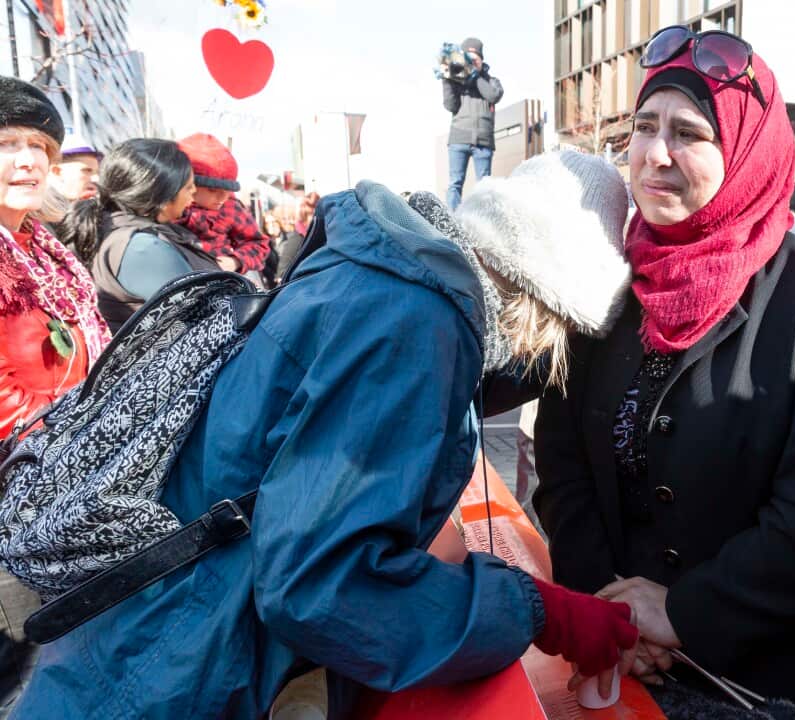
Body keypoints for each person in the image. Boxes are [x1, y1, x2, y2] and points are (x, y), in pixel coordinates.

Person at [16, 151, 643, 719]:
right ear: (547, 303)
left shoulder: (379, 272)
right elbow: (324, 585)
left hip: (145, 630)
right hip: (172, 670)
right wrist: (532, 609)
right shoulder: (412, 325)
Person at [533, 30, 795, 718]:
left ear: (745, 152)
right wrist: (612, 616)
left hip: (753, 677)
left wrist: (681, 612)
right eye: (643, 126)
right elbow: (561, 462)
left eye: (689, 132)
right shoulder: (604, 278)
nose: (656, 155)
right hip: (615, 662)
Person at [0, 76, 110, 715]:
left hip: (66, 480)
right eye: (8, 143)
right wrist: (68, 439)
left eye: (40, 144)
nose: (29, 160)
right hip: (14, 490)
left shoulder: (45, 245)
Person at [61, 139, 217, 332]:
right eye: (187, 187)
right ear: (161, 196)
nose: (193, 192)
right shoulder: (142, 248)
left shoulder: (118, 227)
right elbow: (205, 318)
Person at [175, 133, 270, 278]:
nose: (222, 197)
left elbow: (258, 243)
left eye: (228, 191)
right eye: (212, 190)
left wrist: (235, 260)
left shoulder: (230, 207)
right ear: (189, 183)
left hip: (218, 280)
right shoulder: (170, 205)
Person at [442, 37, 504, 210]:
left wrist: (475, 75)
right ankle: (452, 221)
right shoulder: (456, 82)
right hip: (458, 139)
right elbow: (450, 105)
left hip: (483, 142)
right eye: (467, 59)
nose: (471, 62)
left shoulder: (491, 81)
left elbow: (494, 95)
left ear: (481, 59)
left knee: (484, 187)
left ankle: (482, 220)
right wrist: (447, 80)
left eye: (474, 59)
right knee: (455, 184)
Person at [47, 133, 99, 202]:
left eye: (98, 172)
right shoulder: (34, 210)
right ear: (57, 171)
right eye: (87, 170)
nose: (96, 179)